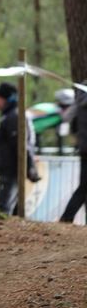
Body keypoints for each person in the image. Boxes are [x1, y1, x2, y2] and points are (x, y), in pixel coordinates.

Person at [0, 81, 39, 215]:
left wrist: (29, 166)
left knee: (4, 206)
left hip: (11, 168)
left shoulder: (14, 115)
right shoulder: (11, 114)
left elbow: (20, 144)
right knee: (9, 204)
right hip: (9, 167)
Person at [60, 81, 87, 223]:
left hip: (84, 148)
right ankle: (67, 217)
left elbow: (67, 116)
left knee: (83, 187)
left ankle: (67, 217)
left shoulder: (81, 96)